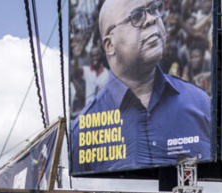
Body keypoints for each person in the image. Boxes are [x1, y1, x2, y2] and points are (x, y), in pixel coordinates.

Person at [70, 0, 211, 173]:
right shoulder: (82, 131)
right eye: (136, 16)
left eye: (153, 9)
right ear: (109, 45)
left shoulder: (200, 103)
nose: (151, 19)